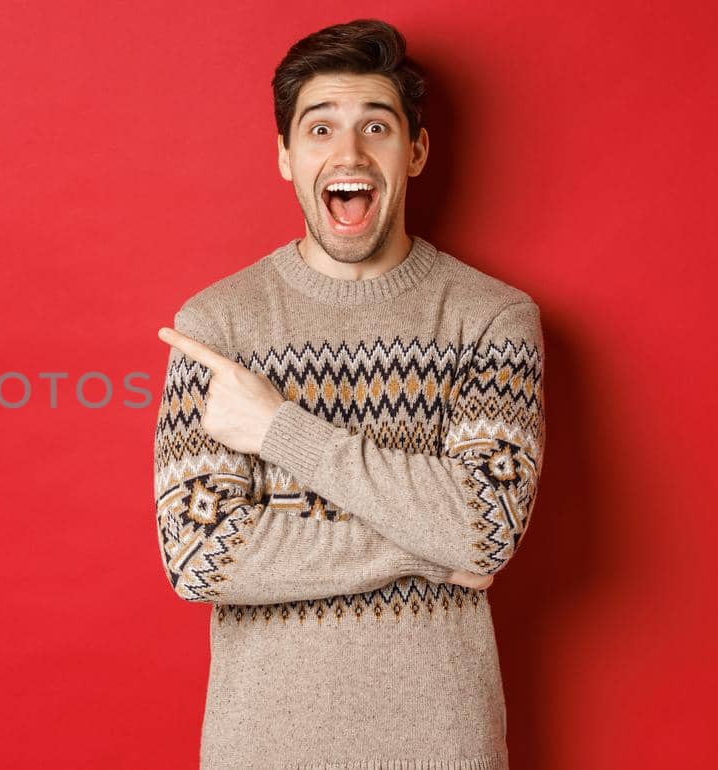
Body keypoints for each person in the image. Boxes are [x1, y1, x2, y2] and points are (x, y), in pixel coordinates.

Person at [152, 18, 545, 769]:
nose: (349, 152)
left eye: (377, 126)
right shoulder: (217, 324)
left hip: (443, 746)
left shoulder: (492, 317)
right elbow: (201, 555)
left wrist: (278, 430)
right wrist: (432, 547)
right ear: (285, 157)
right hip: (259, 748)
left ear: (416, 151)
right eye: (320, 127)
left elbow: (483, 528)